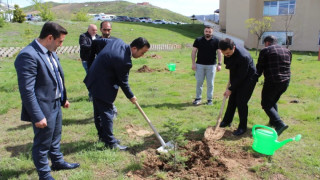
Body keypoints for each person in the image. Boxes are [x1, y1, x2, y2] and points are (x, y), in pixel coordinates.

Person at [14, 22, 80, 180]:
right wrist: (37, 116)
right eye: (60, 41)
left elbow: (57, 76)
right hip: (43, 107)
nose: (61, 45)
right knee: (42, 143)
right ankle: (44, 175)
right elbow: (27, 90)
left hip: (56, 103)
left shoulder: (50, 51)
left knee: (56, 137)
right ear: (50, 37)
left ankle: (57, 162)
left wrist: (63, 98)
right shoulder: (28, 55)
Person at [84, 37, 150, 151]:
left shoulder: (118, 41)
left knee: (99, 112)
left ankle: (103, 137)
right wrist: (131, 96)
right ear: (134, 48)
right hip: (101, 85)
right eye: (142, 52)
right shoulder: (124, 61)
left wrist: (92, 60)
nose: (142, 55)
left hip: (93, 79)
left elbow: (97, 41)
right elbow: (123, 82)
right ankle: (110, 143)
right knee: (107, 113)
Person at [218, 38, 257, 136]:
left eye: (228, 53)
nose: (226, 55)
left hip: (248, 78)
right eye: (224, 53)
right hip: (238, 76)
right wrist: (231, 87)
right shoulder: (227, 52)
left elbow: (241, 76)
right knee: (232, 100)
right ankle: (227, 121)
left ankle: (242, 127)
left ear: (233, 47)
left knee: (241, 102)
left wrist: (231, 89)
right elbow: (232, 69)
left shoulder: (243, 57)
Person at [256, 35, 292, 135]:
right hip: (286, 81)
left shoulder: (266, 50)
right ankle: (273, 122)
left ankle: (280, 124)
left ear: (267, 42)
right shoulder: (287, 51)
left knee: (266, 104)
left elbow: (259, 68)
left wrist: (254, 79)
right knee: (272, 101)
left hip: (273, 81)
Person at [191, 25, 222, 106]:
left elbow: (219, 52)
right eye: (206, 31)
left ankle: (209, 99)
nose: (208, 33)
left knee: (210, 83)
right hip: (199, 65)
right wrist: (193, 63)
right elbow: (194, 51)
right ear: (204, 31)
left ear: (212, 32)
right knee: (199, 82)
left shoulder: (216, 41)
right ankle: (198, 98)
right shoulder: (198, 40)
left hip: (211, 66)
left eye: (209, 32)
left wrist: (219, 64)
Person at [79, 24, 100, 101]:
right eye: (93, 30)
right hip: (87, 61)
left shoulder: (98, 37)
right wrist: (94, 46)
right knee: (91, 78)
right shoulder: (83, 36)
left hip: (97, 61)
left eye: (96, 30)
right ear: (88, 30)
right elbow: (83, 46)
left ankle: (96, 95)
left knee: (97, 78)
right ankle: (92, 96)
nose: (95, 32)